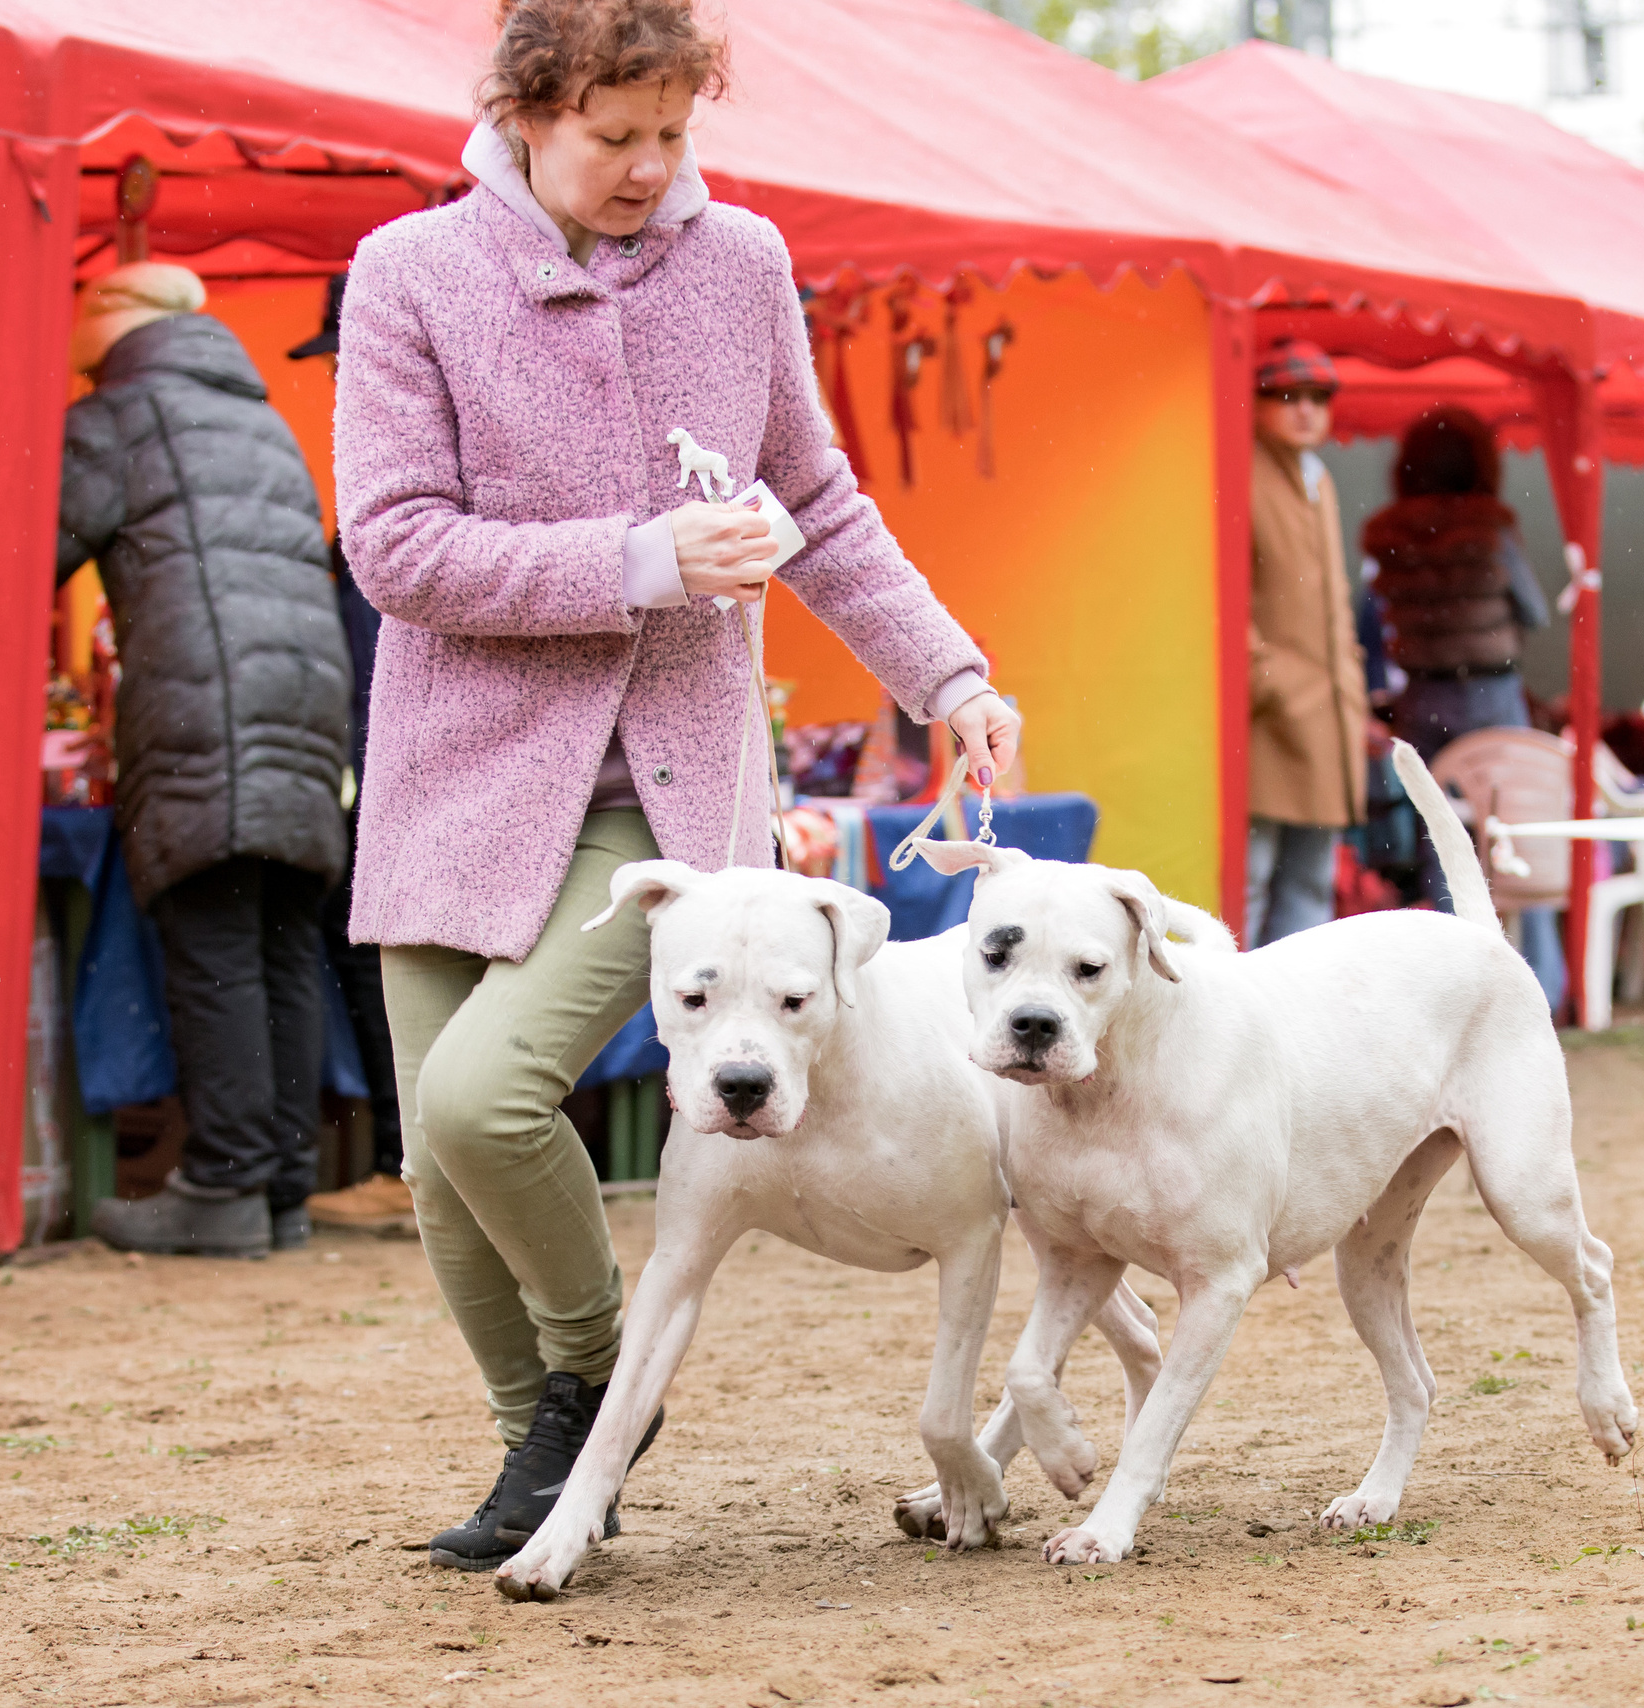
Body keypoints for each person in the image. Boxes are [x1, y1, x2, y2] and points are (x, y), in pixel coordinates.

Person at [334, 0, 1022, 1571]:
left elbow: (818, 500)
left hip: (668, 789)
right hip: (457, 778)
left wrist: (949, 675)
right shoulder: (409, 271)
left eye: (673, 132)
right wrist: (639, 560)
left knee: (482, 1097)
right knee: (442, 1162)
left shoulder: (744, 263)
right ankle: (556, 1446)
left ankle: (596, 1379)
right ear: (525, 115)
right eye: (613, 136)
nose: (650, 167)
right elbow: (394, 545)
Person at [57, 262, 353, 1259]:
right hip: (304, 706)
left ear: (113, 318)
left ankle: (224, 1183)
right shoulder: (261, 421)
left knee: (216, 943)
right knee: (278, 943)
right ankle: (281, 1187)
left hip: (206, 711)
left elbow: (21, 559)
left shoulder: (120, 415)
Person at [282, 278, 416, 1234]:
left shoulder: (397, 449)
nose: (336, 376)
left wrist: (375, 773)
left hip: (398, 758)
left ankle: (408, 1167)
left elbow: (380, 646)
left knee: (382, 956)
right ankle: (409, 1163)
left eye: (340, 358)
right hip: (391, 754)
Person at [1243, 339, 1370, 946]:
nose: (1306, 409)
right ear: (1257, 402)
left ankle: (1294, 1006)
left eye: (1319, 397)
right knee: (1251, 877)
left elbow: (1335, 600)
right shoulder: (1241, 472)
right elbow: (1221, 593)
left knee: (1311, 880)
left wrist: (1350, 688)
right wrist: (1268, 681)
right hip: (1265, 717)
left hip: (1324, 713)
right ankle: (1229, 1001)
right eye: (1287, 395)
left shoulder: (1318, 478)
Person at [1363, 405, 1550, 763]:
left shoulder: (1391, 533)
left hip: (1421, 696)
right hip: (1490, 695)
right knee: (1504, 790)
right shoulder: (1491, 528)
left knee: (1427, 793)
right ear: (1481, 463)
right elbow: (1534, 611)